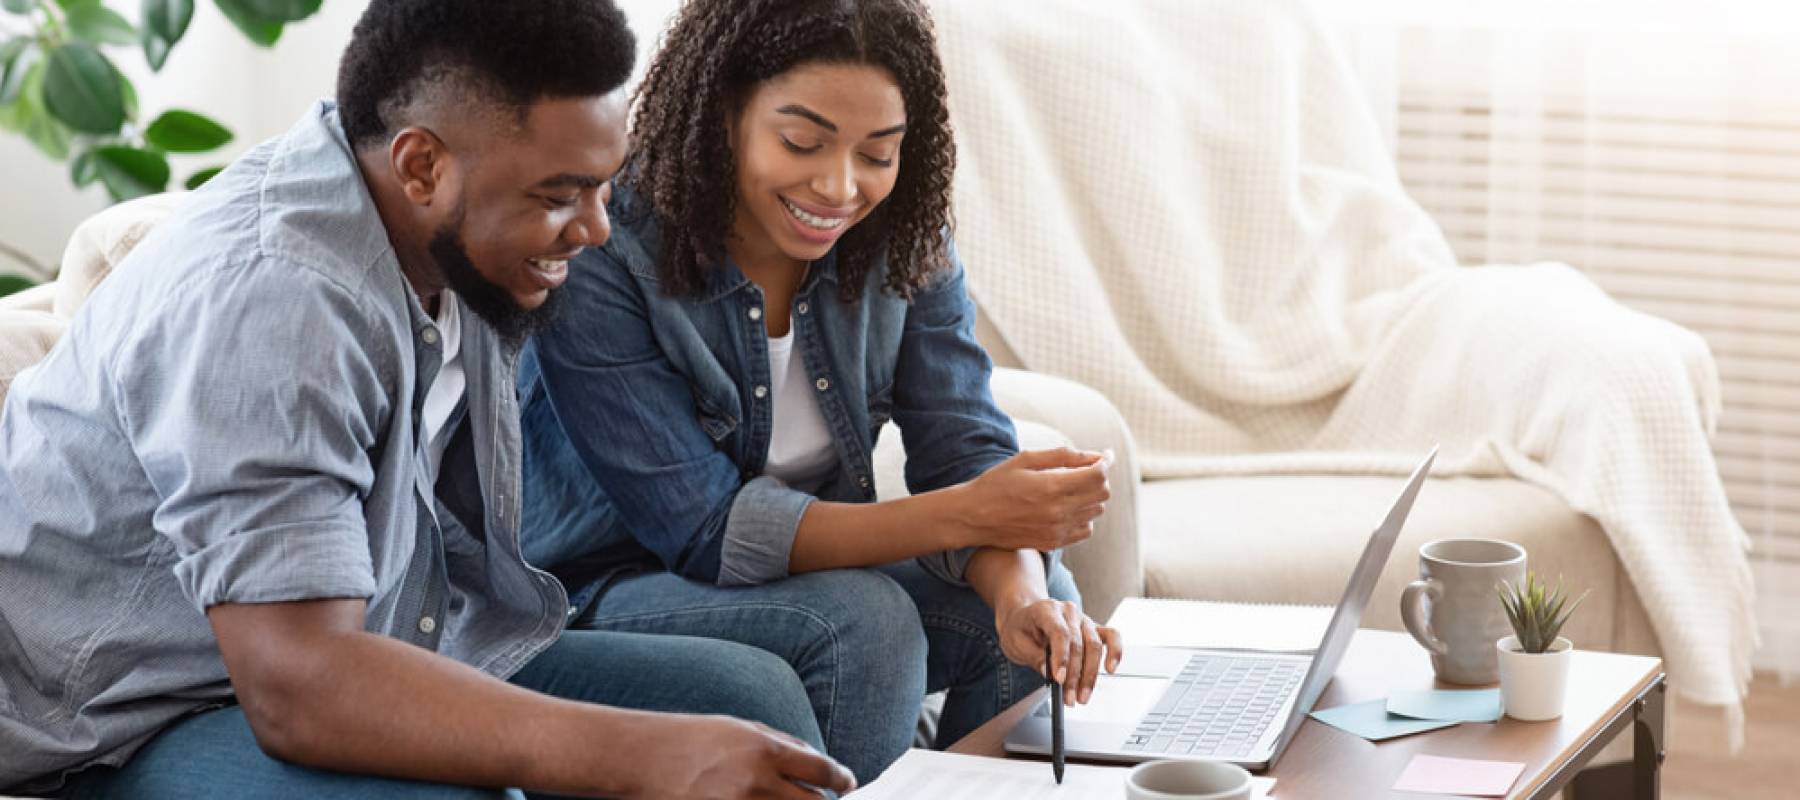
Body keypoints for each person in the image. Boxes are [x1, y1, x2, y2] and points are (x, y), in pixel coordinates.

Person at [0, 1, 855, 797]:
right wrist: (641, 756)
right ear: (421, 165)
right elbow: (299, 685)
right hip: (128, 712)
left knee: (754, 700)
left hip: (377, 632)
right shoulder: (277, 301)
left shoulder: (447, 233)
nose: (596, 229)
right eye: (560, 196)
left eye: (603, 186)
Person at [520, 0, 1122, 783]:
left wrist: (1020, 594)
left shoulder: (904, 237)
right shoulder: (609, 244)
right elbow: (704, 529)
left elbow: (963, 446)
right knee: (865, 624)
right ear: (726, 112)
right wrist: (975, 512)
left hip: (796, 584)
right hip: (600, 587)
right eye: (801, 143)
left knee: (1029, 604)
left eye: (878, 153)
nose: (840, 187)